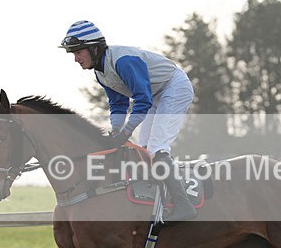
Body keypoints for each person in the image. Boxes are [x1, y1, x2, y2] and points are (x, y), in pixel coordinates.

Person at [60, 20, 197, 221]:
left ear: (94, 48)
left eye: (78, 52)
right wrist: (116, 130)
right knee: (142, 149)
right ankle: (153, 202)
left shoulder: (123, 61)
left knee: (157, 148)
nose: (75, 58)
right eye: (73, 53)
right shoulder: (100, 72)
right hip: (156, 94)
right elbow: (118, 103)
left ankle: (184, 205)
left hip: (174, 87)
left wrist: (126, 132)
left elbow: (142, 99)